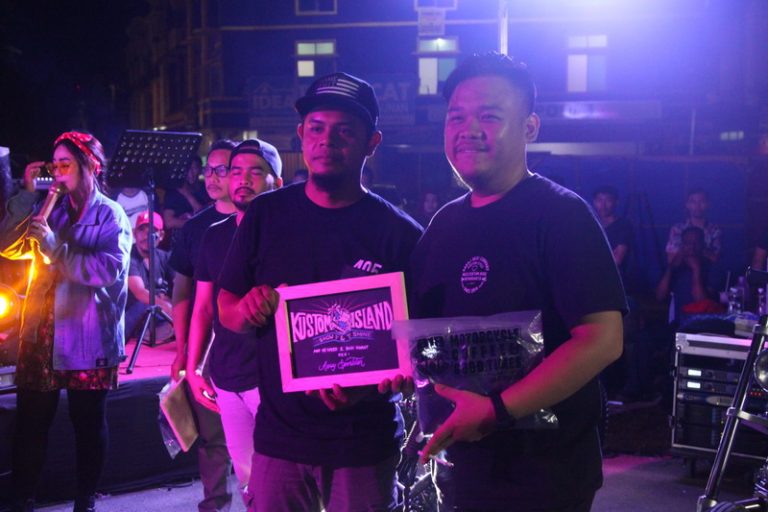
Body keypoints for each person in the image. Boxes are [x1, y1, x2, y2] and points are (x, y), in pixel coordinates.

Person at [410, 53, 626, 511]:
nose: (468, 129)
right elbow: (418, 339)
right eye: (456, 117)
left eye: (489, 116)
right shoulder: (443, 226)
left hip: (545, 476)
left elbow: (603, 340)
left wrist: (497, 410)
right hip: (462, 469)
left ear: (530, 128)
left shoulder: (562, 215)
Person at [217, 72, 423, 512]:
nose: (327, 141)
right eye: (316, 128)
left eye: (345, 130)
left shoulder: (400, 235)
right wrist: (248, 309)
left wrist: (379, 383)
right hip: (280, 438)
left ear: (372, 142)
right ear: (301, 134)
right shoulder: (266, 215)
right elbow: (227, 307)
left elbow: (418, 345)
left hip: (363, 441)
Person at [0, 131, 132, 512]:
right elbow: (8, 246)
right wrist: (27, 195)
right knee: (30, 423)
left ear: (91, 166)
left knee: (87, 423)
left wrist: (55, 248)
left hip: (87, 334)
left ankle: (85, 500)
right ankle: (22, 499)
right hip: (42, 332)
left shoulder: (110, 214)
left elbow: (106, 270)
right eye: (54, 165)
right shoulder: (50, 209)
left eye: (66, 165)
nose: (57, 173)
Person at [185, 139, 283, 505]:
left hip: (271, 378)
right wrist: (193, 368)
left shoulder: (287, 236)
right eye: (236, 171)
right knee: (248, 483)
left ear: (276, 181)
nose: (243, 179)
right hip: (227, 376)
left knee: (283, 481)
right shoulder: (214, 234)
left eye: (255, 172)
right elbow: (202, 308)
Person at [169, 140, 238, 512]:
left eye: (221, 169)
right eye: (208, 169)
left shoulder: (259, 220)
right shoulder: (195, 228)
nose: (211, 177)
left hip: (249, 339)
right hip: (207, 342)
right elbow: (183, 294)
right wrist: (184, 351)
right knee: (212, 437)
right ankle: (215, 504)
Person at [124, 210, 175, 341]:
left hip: (160, 313)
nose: (146, 236)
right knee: (146, 304)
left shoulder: (165, 257)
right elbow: (140, 293)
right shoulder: (128, 257)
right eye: (142, 230)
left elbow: (178, 286)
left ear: (161, 235)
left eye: (152, 231)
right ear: (134, 233)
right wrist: (166, 305)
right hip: (131, 316)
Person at [656, 225, 718, 323]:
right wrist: (670, 268)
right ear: (682, 245)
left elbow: (702, 303)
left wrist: (696, 270)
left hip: (704, 324)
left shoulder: (712, 267)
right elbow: (660, 296)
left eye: (696, 243)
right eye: (688, 243)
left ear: (703, 245)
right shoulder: (677, 266)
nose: (692, 247)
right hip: (679, 323)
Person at [666, 188, 721, 264]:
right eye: (693, 202)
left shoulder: (714, 230)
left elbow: (716, 259)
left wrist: (699, 249)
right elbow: (671, 259)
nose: (697, 206)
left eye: (702, 201)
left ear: (708, 204)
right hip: (681, 269)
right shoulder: (677, 229)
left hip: (707, 269)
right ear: (687, 205)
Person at [592, 186, 633, 282]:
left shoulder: (623, 225)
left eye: (608, 200)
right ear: (594, 202)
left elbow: (617, 259)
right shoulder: (591, 224)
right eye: (599, 200)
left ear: (616, 202)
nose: (603, 205)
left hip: (615, 280)